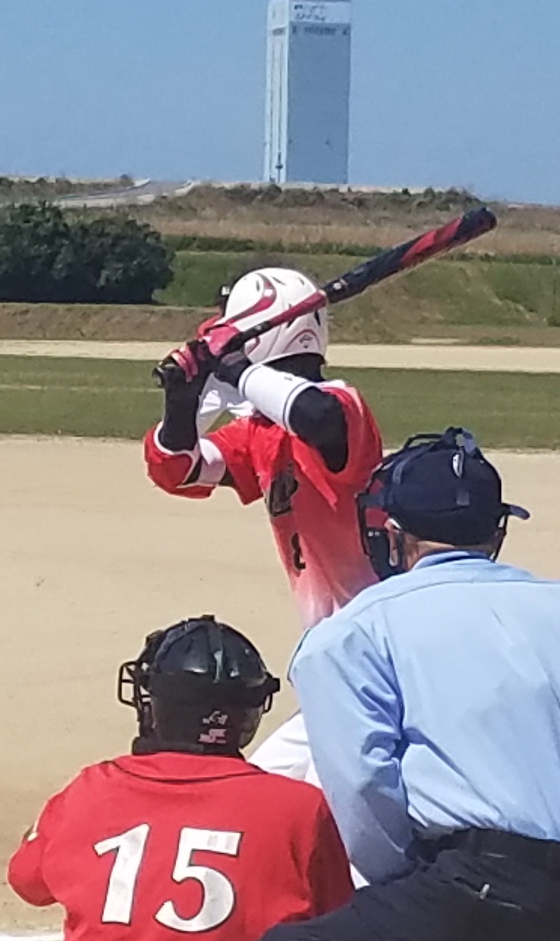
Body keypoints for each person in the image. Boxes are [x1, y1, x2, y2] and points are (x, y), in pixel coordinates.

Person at [266, 429, 560, 941]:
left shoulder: (350, 633)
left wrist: (412, 886)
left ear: (390, 535)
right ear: (496, 530)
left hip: (481, 892)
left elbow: (365, 789)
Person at [145, 267, 386, 781]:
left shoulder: (345, 407)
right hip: (337, 672)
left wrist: (233, 368)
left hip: (387, 667)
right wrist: (181, 403)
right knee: (250, 796)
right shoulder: (259, 431)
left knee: (343, 841)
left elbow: (316, 416)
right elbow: (178, 470)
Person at [8, 616, 355, 941]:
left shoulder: (90, 790)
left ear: (154, 703)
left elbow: (27, 882)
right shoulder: (300, 810)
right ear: (251, 711)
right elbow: (337, 916)